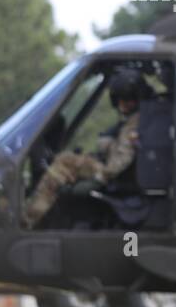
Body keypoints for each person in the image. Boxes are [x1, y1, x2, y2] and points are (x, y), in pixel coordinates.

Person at [22, 68, 149, 229]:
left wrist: (99, 178)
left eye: (126, 99)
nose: (122, 105)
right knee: (65, 160)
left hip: (108, 172)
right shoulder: (141, 118)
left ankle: (27, 221)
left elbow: (121, 159)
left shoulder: (135, 123)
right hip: (110, 168)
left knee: (62, 165)